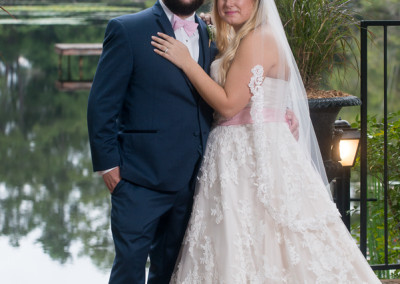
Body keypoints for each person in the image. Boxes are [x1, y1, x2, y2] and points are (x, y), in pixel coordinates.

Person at [151, 0, 382, 282]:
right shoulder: (248, 37)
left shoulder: (257, 39)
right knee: (254, 241)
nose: (228, 2)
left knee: (261, 237)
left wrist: (187, 61)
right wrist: (210, 23)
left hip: (249, 155)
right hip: (244, 150)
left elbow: (228, 104)